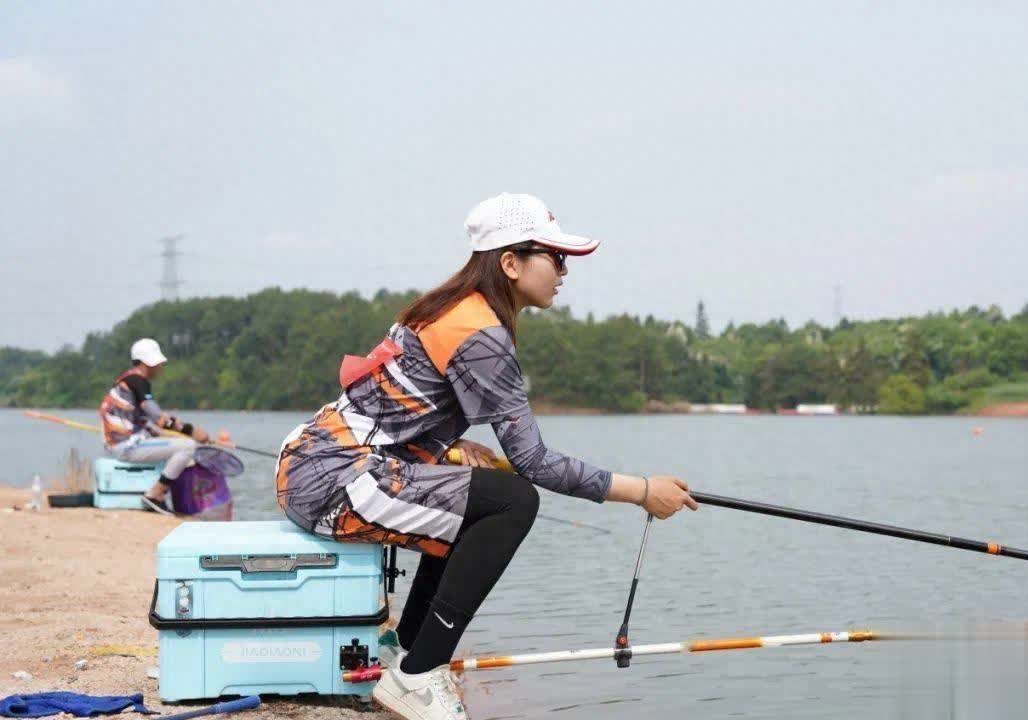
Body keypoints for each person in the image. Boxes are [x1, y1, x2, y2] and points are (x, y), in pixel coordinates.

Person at [275, 193, 697, 720]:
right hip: (332, 482)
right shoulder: (481, 334)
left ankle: (404, 653)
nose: (564, 271)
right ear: (511, 263)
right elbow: (534, 462)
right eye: (555, 257)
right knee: (512, 502)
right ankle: (418, 675)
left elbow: (386, 413)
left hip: (310, 465)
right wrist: (641, 491)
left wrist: (448, 447)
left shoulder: (452, 309)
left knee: (483, 495)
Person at [98, 338, 209, 514]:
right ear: (146, 363)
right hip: (126, 447)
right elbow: (158, 417)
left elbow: (149, 423)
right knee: (188, 447)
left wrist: (173, 433)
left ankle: (162, 495)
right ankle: (155, 495)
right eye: (158, 363)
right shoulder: (138, 381)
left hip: (120, 445)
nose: (160, 367)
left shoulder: (127, 380)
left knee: (178, 445)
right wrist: (192, 431)